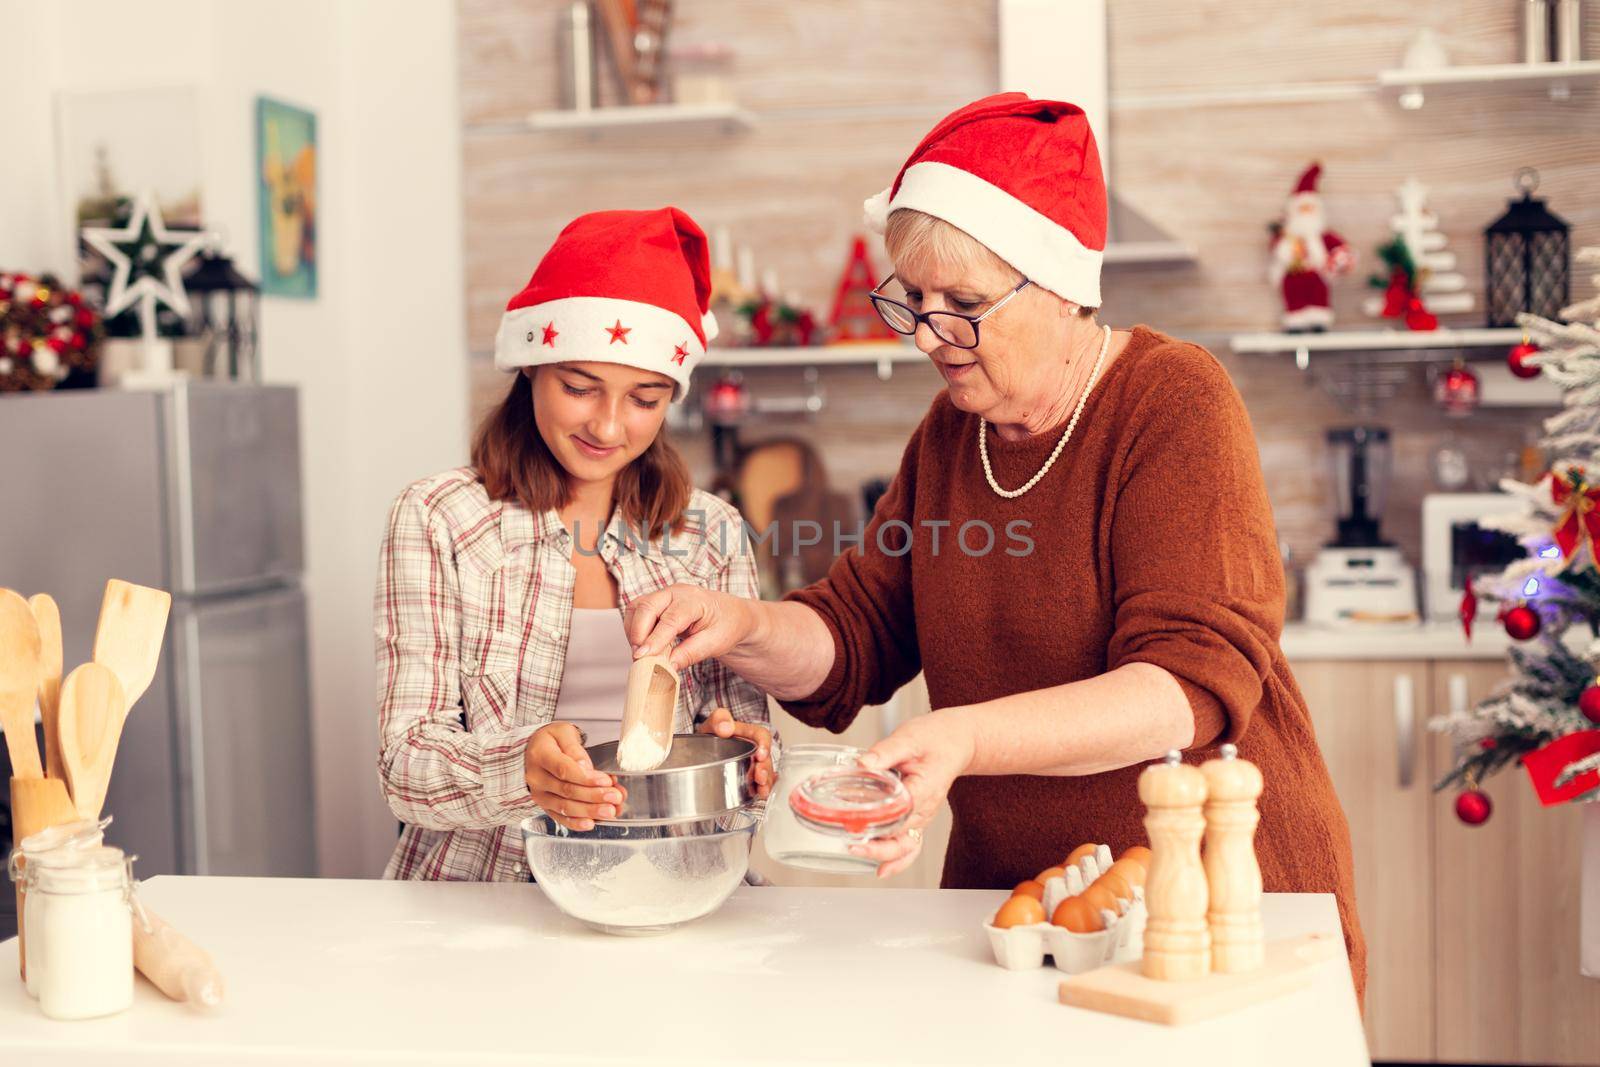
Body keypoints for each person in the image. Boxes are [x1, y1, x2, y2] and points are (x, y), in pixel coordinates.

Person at [625, 94, 1366, 999]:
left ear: (1060, 287)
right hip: (1017, 910)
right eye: (914, 301)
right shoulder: (950, 434)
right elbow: (856, 637)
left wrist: (963, 736)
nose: (932, 337)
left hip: (1199, 902)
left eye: (965, 303)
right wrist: (737, 623)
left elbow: (1186, 689)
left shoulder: (1173, 402)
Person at [376, 207, 771, 881]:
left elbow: (740, 729)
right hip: (479, 891)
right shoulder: (439, 517)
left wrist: (752, 752)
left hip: (673, 883)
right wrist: (520, 769)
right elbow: (405, 764)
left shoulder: (712, 532)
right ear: (531, 366)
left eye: (645, 399)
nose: (609, 423)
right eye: (580, 387)